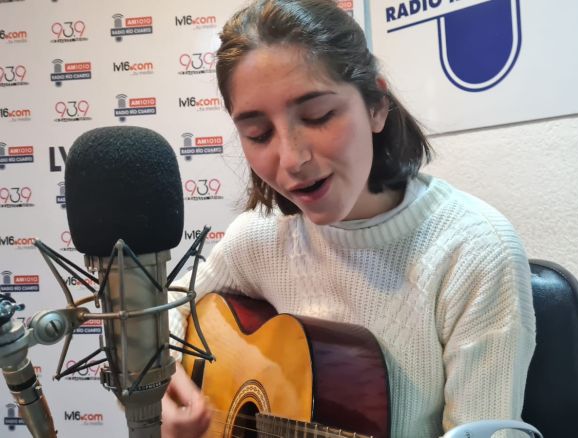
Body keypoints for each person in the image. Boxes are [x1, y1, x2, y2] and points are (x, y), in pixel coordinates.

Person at [162, 0, 536, 437]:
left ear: (376, 106)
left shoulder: (472, 251)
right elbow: (163, 309)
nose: (292, 159)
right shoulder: (258, 238)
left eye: (318, 116)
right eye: (258, 134)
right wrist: (168, 385)